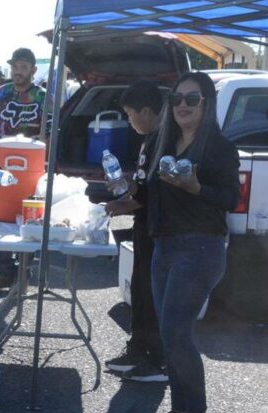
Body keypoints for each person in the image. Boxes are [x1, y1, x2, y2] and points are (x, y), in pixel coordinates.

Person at [139, 71, 241, 413]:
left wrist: (197, 188)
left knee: (178, 333)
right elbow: (148, 195)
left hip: (201, 248)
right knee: (169, 334)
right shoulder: (163, 142)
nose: (183, 105)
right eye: (177, 99)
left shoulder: (218, 149)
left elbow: (230, 199)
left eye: (192, 99)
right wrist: (122, 198)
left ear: (207, 103)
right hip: (165, 246)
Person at [104, 80, 167, 383]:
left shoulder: (162, 140)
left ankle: (153, 361)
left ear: (146, 110)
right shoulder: (149, 138)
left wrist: (123, 205)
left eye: (130, 115)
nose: (129, 122)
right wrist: (125, 187)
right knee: (140, 294)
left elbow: (153, 195)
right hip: (144, 228)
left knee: (150, 296)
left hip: (157, 232)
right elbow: (142, 185)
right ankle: (137, 351)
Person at [0, 48, 47, 291]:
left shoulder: (42, 95)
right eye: (15, 67)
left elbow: (50, 129)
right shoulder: (3, 91)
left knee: (28, 215)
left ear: (33, 70)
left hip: (30, 164)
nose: (18, 72)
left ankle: (24, 272)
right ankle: (5, 270)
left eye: (23, 67)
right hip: (2, 159)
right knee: (0, 215)